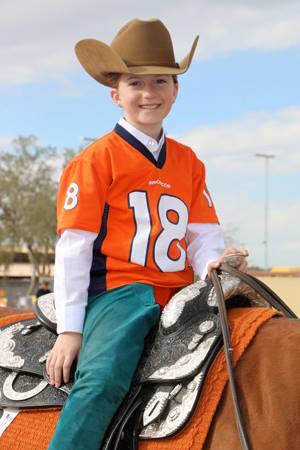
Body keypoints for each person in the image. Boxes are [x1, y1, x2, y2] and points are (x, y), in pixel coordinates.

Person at [47, 18, 248, 450]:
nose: (149, 93)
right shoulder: (95, 161)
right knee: (100, 382)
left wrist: (214, 264)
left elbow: (201, 234)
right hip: (120, 293)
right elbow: (73, 249)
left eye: (161, 81)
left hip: (178, 291)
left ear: (176, 91)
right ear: (115, 94)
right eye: (135, 82)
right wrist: (70, 329)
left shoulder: (188, 161)